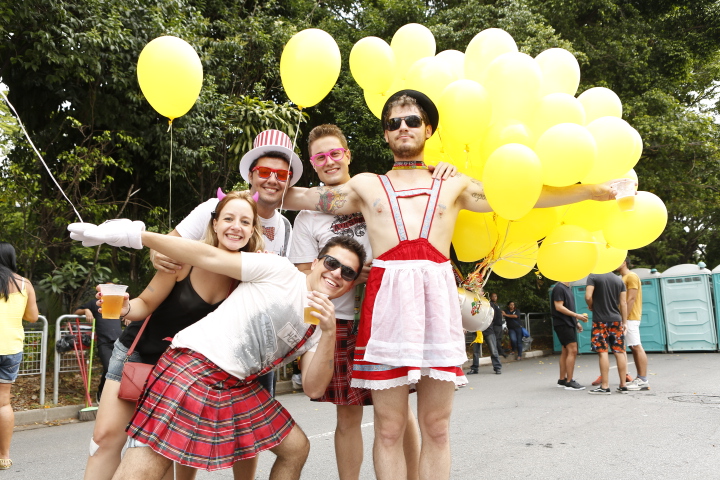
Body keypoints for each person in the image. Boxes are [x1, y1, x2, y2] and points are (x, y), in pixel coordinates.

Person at [282, 89, 621, 479]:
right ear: (386, 134)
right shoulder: (366, 185)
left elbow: (524, 195)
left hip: (437, 305)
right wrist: (255, 191)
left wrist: (593, 191)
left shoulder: (454, 184)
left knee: (437, 428)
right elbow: (307, 197)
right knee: (389, 428)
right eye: (394, 122)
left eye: (412, 121)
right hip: (384, 306)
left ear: (428, 129)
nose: (403, 128)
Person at [69, 218, 366, 480]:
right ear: (316, 262)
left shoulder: (317, 327)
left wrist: (329, 333)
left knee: (296, 447)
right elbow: (208, 255)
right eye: (331, 263)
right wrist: (138, 236)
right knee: (152, 463)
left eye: (348, 273)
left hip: (236, 384)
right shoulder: (280, 270)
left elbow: (314, 389)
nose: (337, 273)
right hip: (193, 366)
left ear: (350, 284)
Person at [83, 191, 262, 480]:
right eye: (228, 218)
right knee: (104, 439)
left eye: (245, 221)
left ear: (252, 230)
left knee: (161, 456)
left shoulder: (250, 276)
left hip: (183, 375)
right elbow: (145, 304)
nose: (235, 227)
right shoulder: (183, 259)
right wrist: (126, 307)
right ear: (214, 223)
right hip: (137, 356)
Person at [290, 124, 422, 480]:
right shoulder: (307, 216)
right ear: (313, 164)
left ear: (348, 155)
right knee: (347, 416)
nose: (329, 161)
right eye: (320, 157)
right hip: (342, 320)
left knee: (397, 411)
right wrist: (347, 279)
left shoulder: (376, 193)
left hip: (387, 315)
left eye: (335, 153)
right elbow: (304, 275)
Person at [151, 129, 303, 397]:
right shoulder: (215, 207)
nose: (272, 180)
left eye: (282, 175)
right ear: (251, 175)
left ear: (289, 181)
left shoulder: (286, 227)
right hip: (194, 334)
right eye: (265, 171)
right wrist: (156, 254)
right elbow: (165, 246)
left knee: (247, 432)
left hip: (253, 344)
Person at [0, 242, 39, 470]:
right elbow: (33, 316)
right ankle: (3, 456)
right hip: (11, 348)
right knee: (3, 403)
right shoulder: (24, 283)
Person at [74, 289, 122, 402]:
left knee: (118, 370)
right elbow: (76, 312)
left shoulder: (117, 304)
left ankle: (112, 396)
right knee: (109, 368)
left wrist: (129, 316)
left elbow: (132, 311)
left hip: (119, 342)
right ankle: (101, 393)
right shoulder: (95, 303)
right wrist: (86, 310)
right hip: (104, 342)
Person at [585, 272, 628, 394]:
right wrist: (624, 322)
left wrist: (591, 305)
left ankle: (605, 386)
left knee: (603, 352)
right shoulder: (619, 280)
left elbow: (588, 296)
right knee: (619, 351)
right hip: (616, 320)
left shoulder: (593, 276)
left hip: (600, 321)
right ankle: (623, 385)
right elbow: (623, 303)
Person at [550, 282, 588, 391]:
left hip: (568, 323)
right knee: (573, 350)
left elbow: (568, 307)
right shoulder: (559, 288)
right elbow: (558, 307)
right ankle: (569, 381)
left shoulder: (567, 288)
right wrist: (577, 316)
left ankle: (562, 380)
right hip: (563, 324)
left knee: (566, 350)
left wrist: (576, 322)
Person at [618, 258, 649, 390]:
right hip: (627, 317)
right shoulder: (623, 277)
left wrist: (624, 319)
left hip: (630, 317)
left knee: (636, 346)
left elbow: (631, 299)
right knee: (633, 347)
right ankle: (640, 378)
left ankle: (642, 379)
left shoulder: (631, 276)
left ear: (624, 262)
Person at [489, 292, 507, 358]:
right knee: (496, 339)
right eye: (493, 296)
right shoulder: (491, 304)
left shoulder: (496, 304)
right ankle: (500, 352)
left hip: (499, 324)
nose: (494, 298)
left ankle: (499, 351)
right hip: (495, 324)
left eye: (495, 296)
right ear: (491, 297)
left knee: (499, 338)